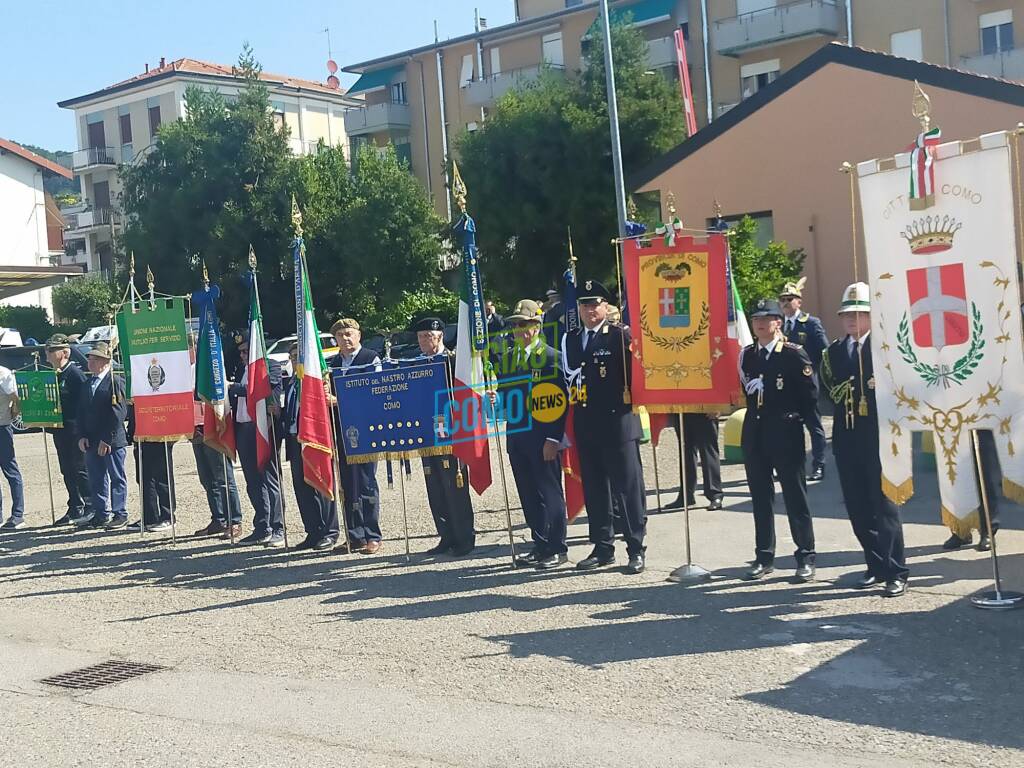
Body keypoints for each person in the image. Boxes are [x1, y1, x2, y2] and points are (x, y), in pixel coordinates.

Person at [821, 282, 908, 597]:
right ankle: (875, 565)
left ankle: (896, 570)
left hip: (879, 438)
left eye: (859, 313)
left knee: (885, 506)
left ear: (873, 316)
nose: (852, 320)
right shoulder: (833, 351)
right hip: (846, 438)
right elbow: (827, 388)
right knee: (857, 507)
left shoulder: (885, 349)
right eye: (847, 315)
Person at [562, 280, 647, 574]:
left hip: (618, 421)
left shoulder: (619, 336)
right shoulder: (571, 339)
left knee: (627, 489)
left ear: (606, 306)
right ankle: (602, 546)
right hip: (587, 422)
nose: (589, 310)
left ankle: (636, 547)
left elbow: (638, 374)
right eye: (584, 305)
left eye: (594, 304)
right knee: (596, 489)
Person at [739, 299, 817, 582]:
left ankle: (805, 556)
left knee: (795, 496)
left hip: (785, 432)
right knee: (760, 498)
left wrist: (800, 423)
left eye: (767, 318)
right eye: (756, 319)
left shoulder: (793, 354)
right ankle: (763, 556)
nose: (760, 323)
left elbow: (810, 396)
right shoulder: (748, 354)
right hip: (756, 434)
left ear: (778, 322)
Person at [492, 299, 568, 569]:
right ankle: (540, 543)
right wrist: (496, 400)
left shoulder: (551, 357)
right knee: (527, 493)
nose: (521, 330)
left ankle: (557, 547)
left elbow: (559, 402)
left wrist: (553, 438)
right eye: (516, 326)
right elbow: (508, 395)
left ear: (537, 326)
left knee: (550, 491)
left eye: (527, 325)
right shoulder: (509, 358)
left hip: (542, 436)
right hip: (517, 436)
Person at [413, 317, 475, 557]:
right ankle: (446, 535)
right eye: (420, 337)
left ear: (439, 337)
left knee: (454, 485)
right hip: (426, 433)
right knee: (435, 486)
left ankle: (464, 537)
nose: (423, 341)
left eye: (427, 336)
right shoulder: (416, 364)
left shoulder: (451, 361)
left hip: (449, 431)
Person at [329, 319, 382, 554]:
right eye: (340, 335)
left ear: (359, 335)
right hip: (341, 429)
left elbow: (374, 391)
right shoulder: (333, 363)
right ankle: (355, 534)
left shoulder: (370, 358)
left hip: (365, 429)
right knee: (347, 484)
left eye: (349, 334)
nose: (345, 339)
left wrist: (339, 402)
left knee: (366, 482)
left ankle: (372, 534)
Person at [283, 342, 341, 552]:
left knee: (321, 484)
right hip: (295, 439)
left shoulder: (316, 381)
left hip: (314, 440)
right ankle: (313, 531)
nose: (294, 359)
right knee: (302, 487)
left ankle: (329, 532)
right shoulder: (292, 382)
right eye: (291, 357)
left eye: (298, 355)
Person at [230, 333, 286, 547]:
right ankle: (262, 525)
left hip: (263, 427)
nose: (243, 355)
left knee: (270, 479)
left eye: (246, 351)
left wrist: (232, 388)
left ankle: (278, 527)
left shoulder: (270, 365)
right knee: (252, 481)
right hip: (244, 427)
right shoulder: (242, 369)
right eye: (241, 352)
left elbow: (259, 390)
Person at [779, 279, 829, 481]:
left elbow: (824, 350)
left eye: (789, 299)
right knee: (788, 428)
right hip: (786, 386)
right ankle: (793, 466)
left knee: (814, 425)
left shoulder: (810, 323)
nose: (785, 303)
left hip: (807, 384)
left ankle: (819, 465)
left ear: (799, 302)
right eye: (782, 300)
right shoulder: (779, 325)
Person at [75, 342, 129, 529]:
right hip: (91, 440)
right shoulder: (87, 383)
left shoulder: (115, 382)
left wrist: (108, 439)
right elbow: (80, 411)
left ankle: (119, 513)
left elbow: (118, 414)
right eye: (89, 359)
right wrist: (81, 435)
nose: (90, 363)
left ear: (105, 362)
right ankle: (100, 513)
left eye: (94, 359)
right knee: (96, 478)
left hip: (111, 441)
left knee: (116, 477)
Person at [45, 334, 92, 526]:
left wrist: (84, 431)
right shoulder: (55, 374)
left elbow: (84, 405)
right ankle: (74, 505)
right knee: (67, 469)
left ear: (64, 352)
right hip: (60, 429)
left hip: (74, 430)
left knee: (80, 468)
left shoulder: (74, 374)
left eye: (51, 351)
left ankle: (90, 505)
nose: (47, 354)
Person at [941, 430, 1000, 552]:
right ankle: (961, 530)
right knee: (955, 478)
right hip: (952, 424)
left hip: (979, 422)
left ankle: (987, 531)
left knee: (983, 478)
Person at [126, 405, 174, 532]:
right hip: (141, 431)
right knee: (144, 477)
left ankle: (167, 516)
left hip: (160, 428)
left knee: (162, 476)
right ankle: (150, 517)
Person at [665, 413, 723, 511]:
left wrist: (719, 407)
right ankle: (686, 495)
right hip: (682, 408)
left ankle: (715, 494)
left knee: (708, 452)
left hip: (706, 409)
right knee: (686, 453)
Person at [0, 365, 24, 530]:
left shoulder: (4, 373)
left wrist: (12, 414)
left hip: (2, 427)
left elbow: (16, 398)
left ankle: (18, 514)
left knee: (11, 471)